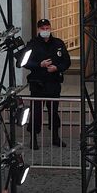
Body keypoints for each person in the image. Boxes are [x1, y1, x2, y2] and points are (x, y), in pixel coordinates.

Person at [21, 18, 70, 148]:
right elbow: (23, 62)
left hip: (53, 83)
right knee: (36, 112)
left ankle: (55, 136)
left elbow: (66, 61)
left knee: (54, 111)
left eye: (47, 28)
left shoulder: (58, 43)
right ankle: (33, 138)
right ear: (38, 30)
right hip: (38, 83)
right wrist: (39, 65)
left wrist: (57, 68)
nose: (45, 30)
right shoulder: (32, 44)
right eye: (43, 28)